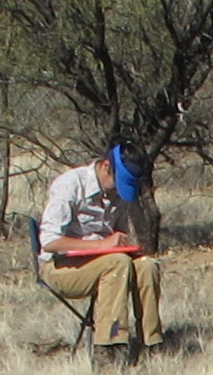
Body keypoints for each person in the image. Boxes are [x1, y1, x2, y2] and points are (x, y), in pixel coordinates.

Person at [35, 143, 162, 360]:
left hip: (105, 261)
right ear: (104, 166)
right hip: (59, 268)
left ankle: (151, 346)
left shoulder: (118, 194)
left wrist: (125, 246)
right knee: (117, 263)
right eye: (118, 182)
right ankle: (109, 348)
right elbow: (49, 242)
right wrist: (102, 246)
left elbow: (117, 234)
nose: (118, 190)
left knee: (147, 266)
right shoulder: (70, 185)